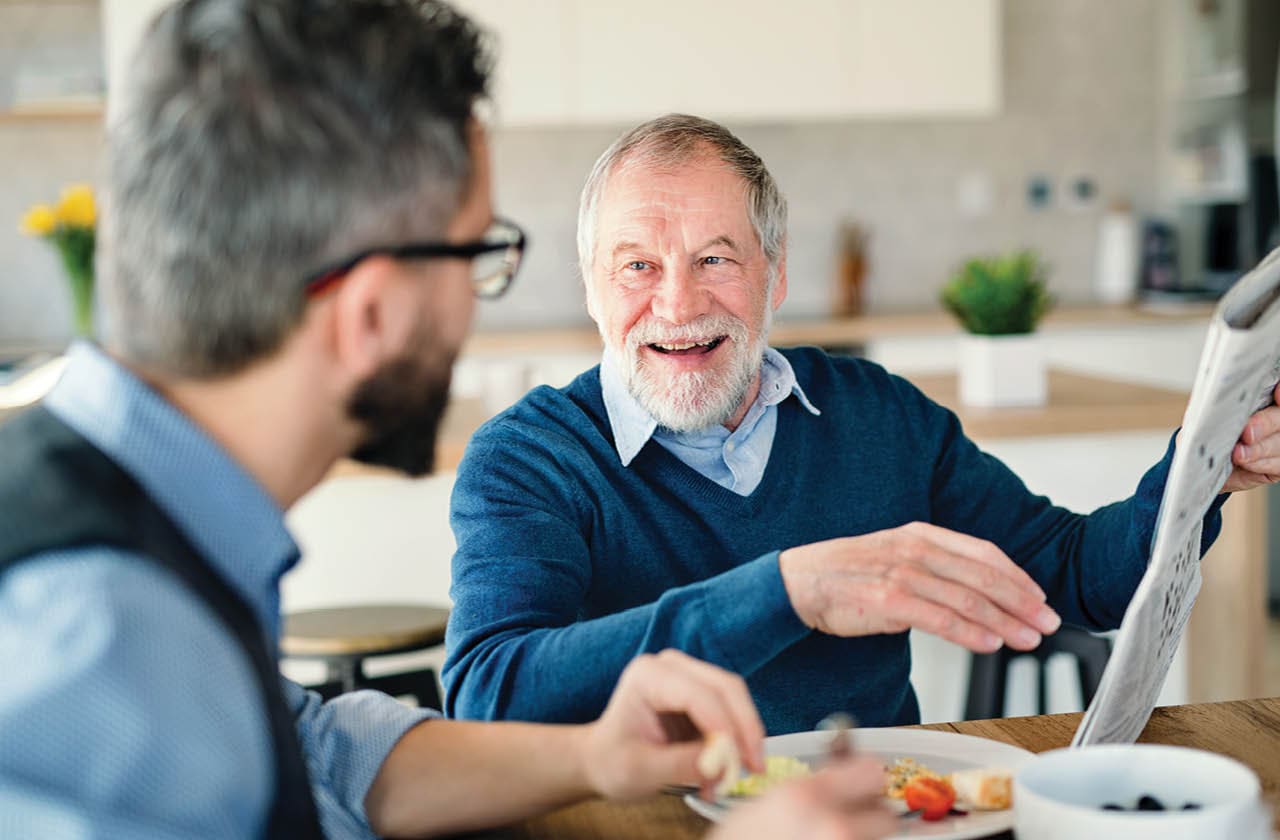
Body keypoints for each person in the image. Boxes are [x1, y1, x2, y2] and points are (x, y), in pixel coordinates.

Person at [0, 6, 896, 840]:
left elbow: (320, 750)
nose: (474, 305)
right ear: (373, 314)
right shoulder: (92, 634)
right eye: (477, 256)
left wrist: (588, 754)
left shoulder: (139, 521)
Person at [443, 113, 1280, 735]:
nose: (679, 303)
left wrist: (1205, 463)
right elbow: (491, 694)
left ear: (773, 276)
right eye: (638, 266)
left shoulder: (878, 417)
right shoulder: (532, 459)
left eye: (716, 258)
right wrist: (789, 591)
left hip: (875, 815)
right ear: (592, 289)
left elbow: (1075, 575)